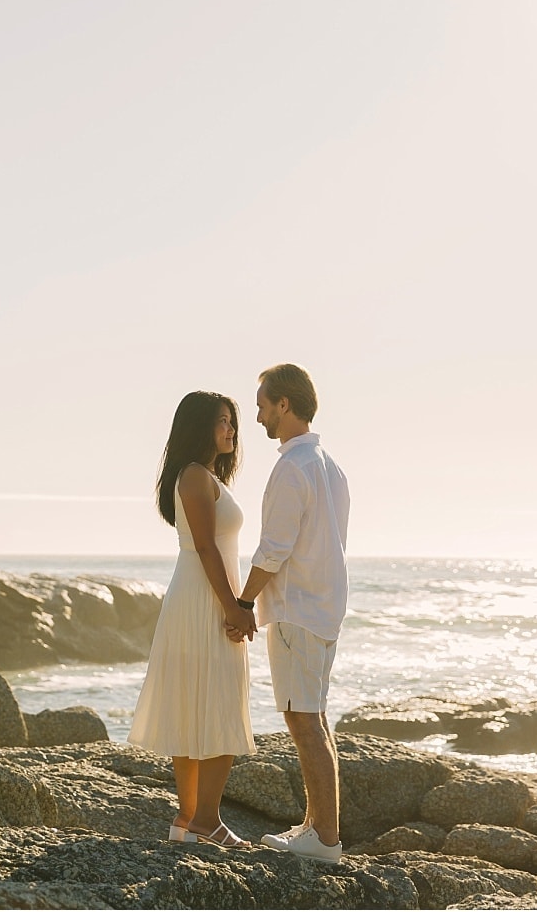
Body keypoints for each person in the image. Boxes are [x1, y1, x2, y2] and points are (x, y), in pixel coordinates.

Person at [225, 363, 350, 864]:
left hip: (298, 609)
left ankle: (322, 840)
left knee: (303, 722)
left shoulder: (292, 467)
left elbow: (273, 549)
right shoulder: (329, 466)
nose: (256, 417)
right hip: (324, 607)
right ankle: (320, 829)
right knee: (314, 718)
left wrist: (242, 602)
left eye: (261, 405)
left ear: (284, 404)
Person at [127, 390, 257, 848]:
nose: (231, 430)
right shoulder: (197, 477)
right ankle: (206, 821)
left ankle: (187, 819)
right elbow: (207, 548)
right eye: (223, 421)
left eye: (232, 422)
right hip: (205, 598)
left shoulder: (196, 476)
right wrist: (234, 608)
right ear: (199, 427)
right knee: (219, 704)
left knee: (193, 705)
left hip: (194, 596)